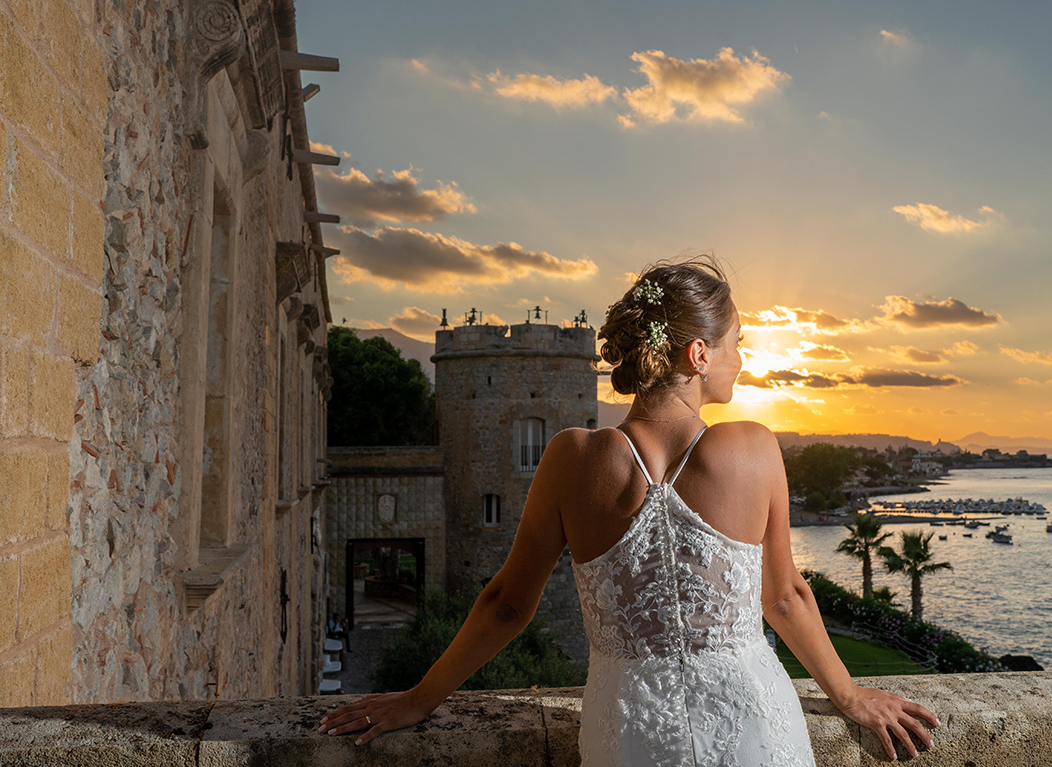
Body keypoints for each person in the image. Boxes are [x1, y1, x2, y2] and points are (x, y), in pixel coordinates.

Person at [319, 257, 939, 762]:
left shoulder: (570, 457)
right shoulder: (753, 447)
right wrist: (849, 695)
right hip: (756, 726)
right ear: (698, 354)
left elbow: (507, 603)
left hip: (631, 734)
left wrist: (421, 700)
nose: (742, 359)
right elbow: (784, 600)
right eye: (736, 344)